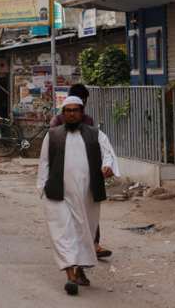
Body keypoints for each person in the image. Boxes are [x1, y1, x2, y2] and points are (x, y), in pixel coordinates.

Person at [37, 96, 119, 296]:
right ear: (63, 114)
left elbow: (108, 153)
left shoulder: (95, 134)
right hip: (58, 193)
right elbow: (44, 162)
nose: (71, 113)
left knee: (85, 232)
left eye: (75, 110)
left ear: (82, 113)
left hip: (87, 194)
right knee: (62, 233)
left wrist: (107, 166)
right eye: (68, 110)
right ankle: (70, 277)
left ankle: (80, 270)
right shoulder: (53, 135)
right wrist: (42, 186)